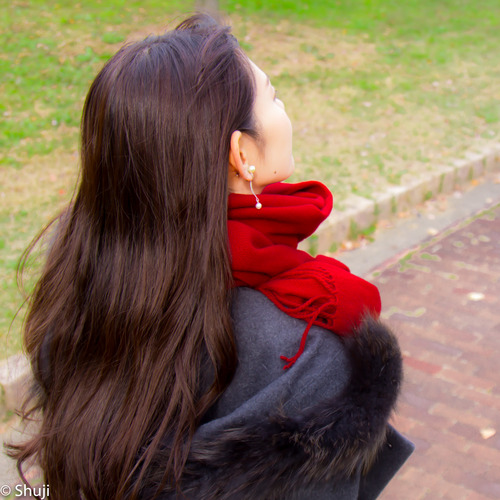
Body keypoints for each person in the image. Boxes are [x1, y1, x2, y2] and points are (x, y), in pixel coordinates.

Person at [9, 14, 413, 500]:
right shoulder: (307, 354)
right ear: (241, 154)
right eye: (274, 97)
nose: (284, 108)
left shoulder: (85, 267)